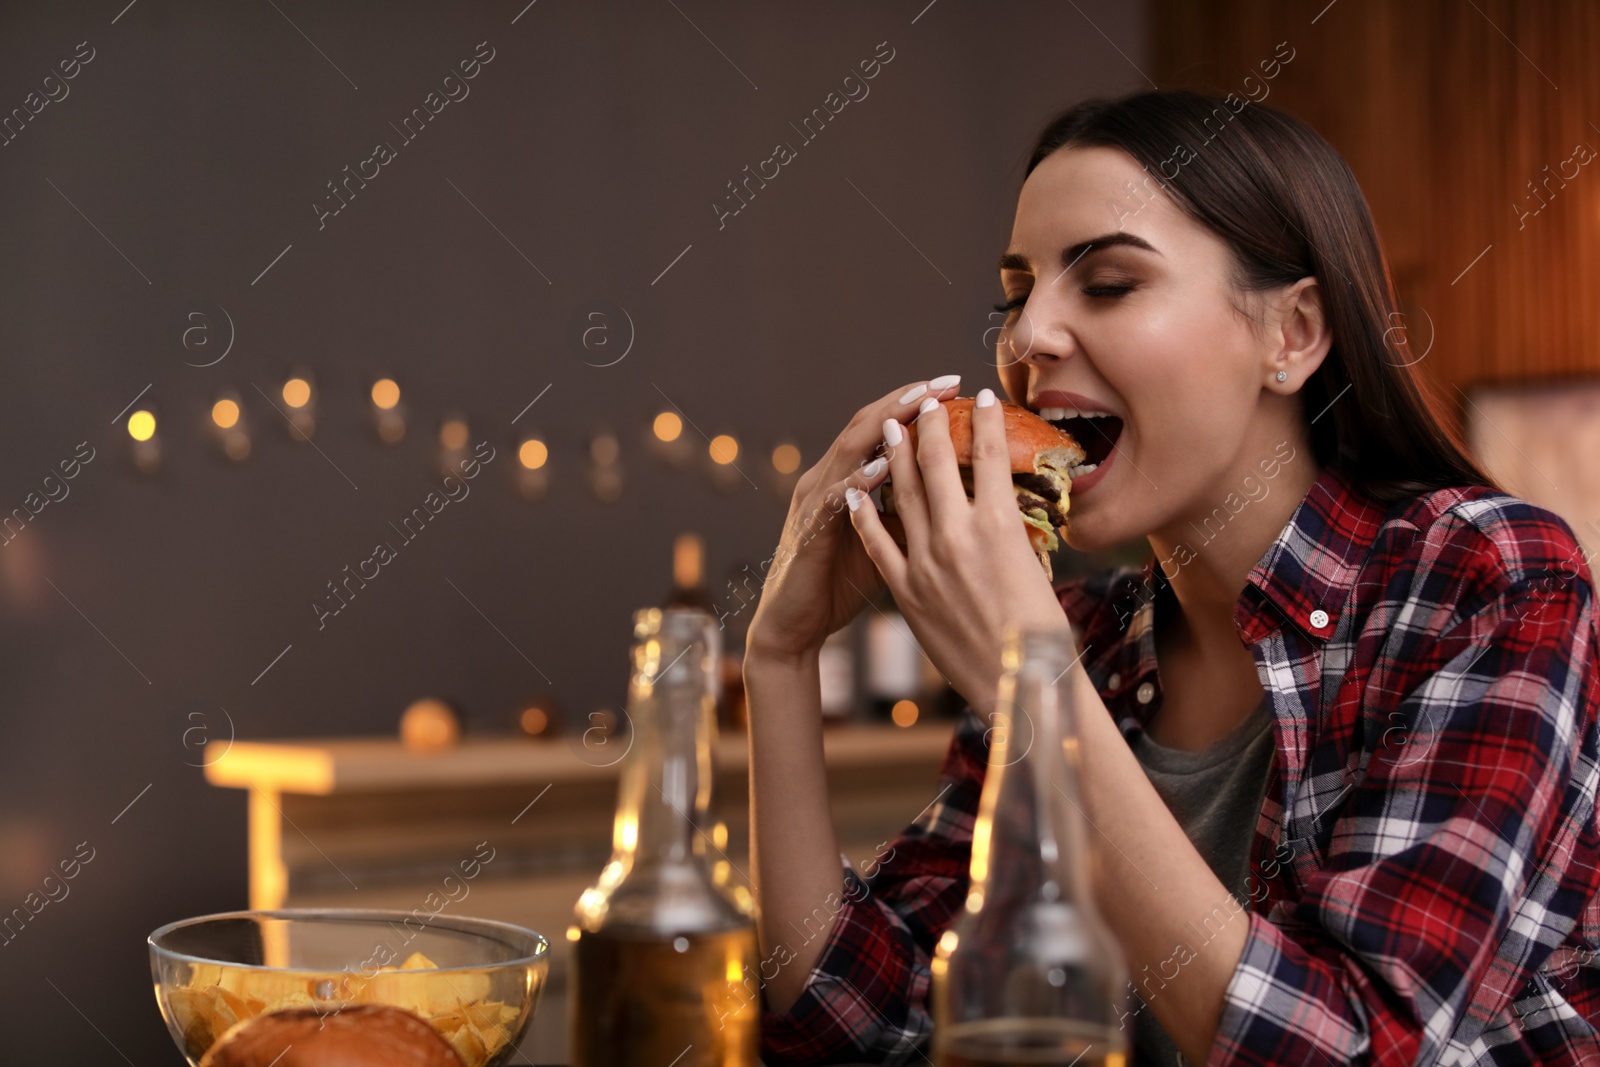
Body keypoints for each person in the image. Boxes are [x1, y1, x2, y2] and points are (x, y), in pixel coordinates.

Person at [741, 88, 1600, 1066]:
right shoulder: (1088, 633)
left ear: (1293, 334)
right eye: (1014, 295)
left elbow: (1348, 1049)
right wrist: (781, 653)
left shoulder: (1486, 579)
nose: (1027, 339)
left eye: (1106, 283)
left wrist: (1035, 684)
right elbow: (867, 1023)